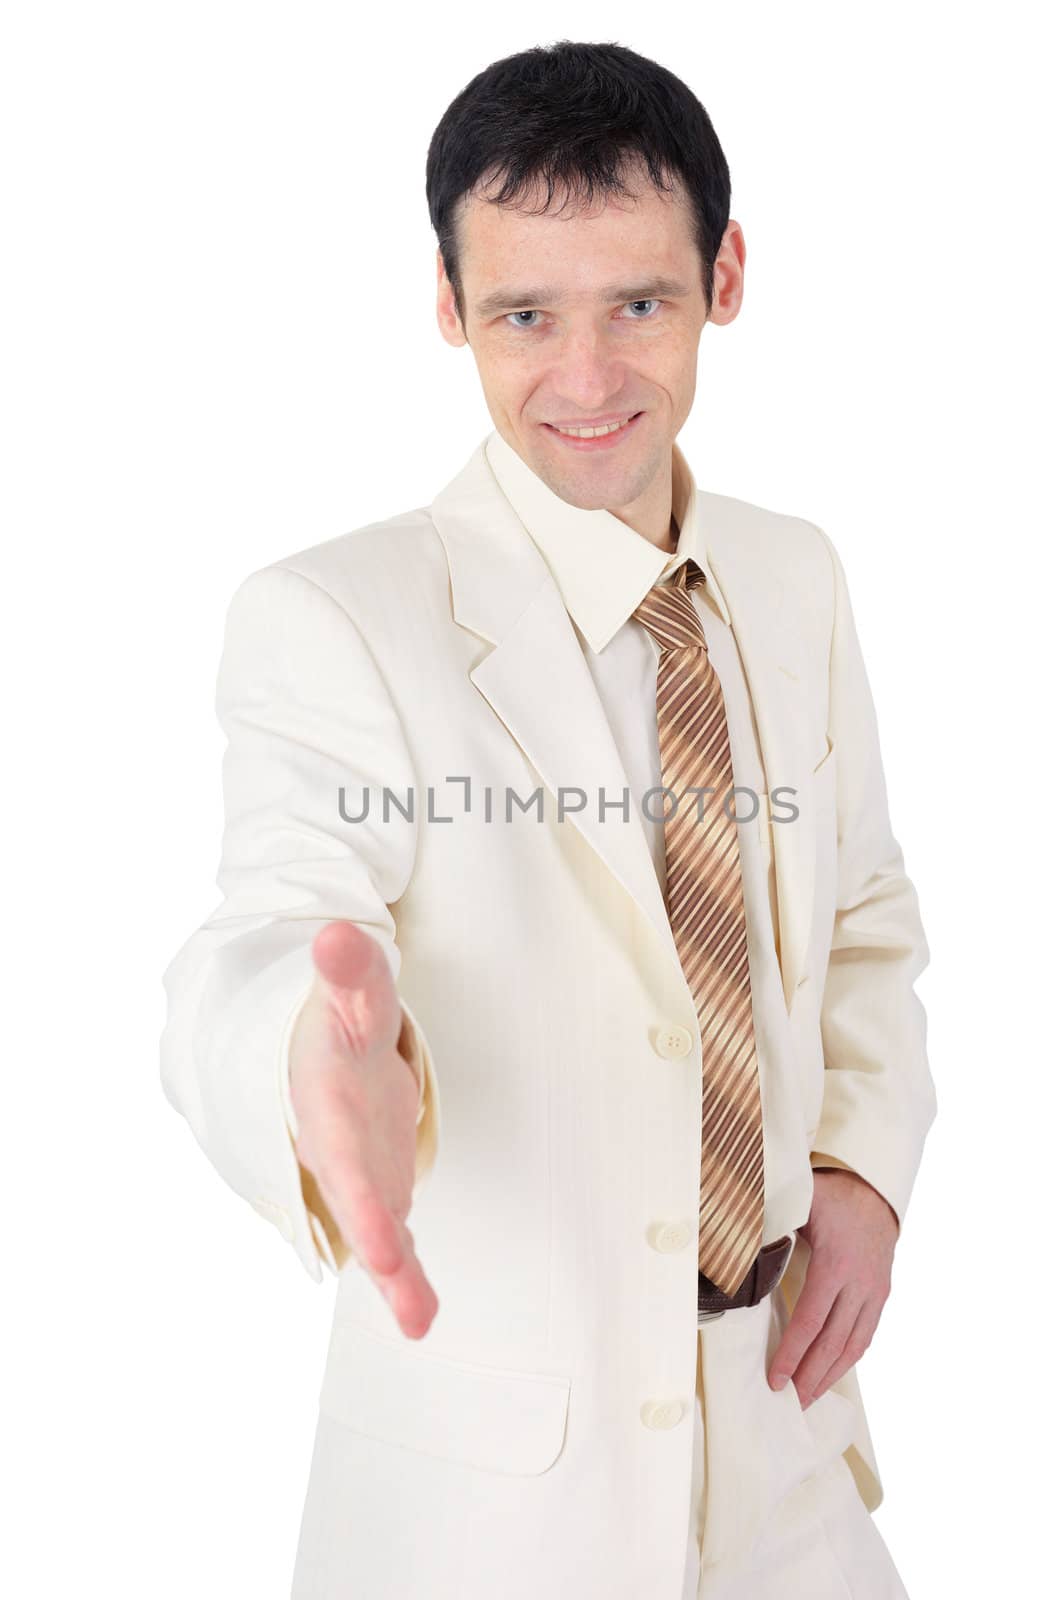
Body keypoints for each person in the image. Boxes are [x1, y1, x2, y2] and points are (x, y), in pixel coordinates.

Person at [160, 38, 936, 1600]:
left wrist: (859, 1173)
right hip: (497, 1517)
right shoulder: (338, 614)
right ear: (448, 310)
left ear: (724, 275)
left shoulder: (792, 577)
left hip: (786, 1450)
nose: (585, 380)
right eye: (523, 315)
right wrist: (312, 1075)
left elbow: (860, 916)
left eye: (637, 304)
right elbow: (258, 944)